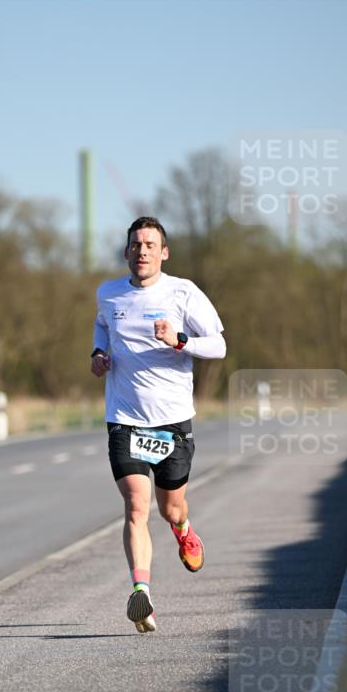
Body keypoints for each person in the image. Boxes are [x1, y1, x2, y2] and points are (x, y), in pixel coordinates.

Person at [91, 216, 226, 633]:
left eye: (150, 244)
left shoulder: (182, 292)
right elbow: (101, 325)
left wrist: (180, 340)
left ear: (163, 252)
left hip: (172, 423)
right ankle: (141, 594)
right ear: (127, 251)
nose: (142, 251)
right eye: (136, 244)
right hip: (125, 420)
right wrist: (98, 355)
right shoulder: (109, 294)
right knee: (136, 506)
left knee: (170, 509)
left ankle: (184, 529)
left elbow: (218, 346)